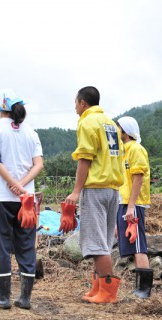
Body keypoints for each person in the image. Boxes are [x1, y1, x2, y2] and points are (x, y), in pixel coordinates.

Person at [0, 89, 44, 310]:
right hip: (26, 199)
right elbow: (38, 164)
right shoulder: (31, 133)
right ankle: (25, 298)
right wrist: (22, 185)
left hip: (0, 196)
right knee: (26, 244)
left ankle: (3, 297)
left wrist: (13, 184)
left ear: (1, 107)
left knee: (1, 243)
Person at [65, 86, 124, 304]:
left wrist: (76, 190)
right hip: (112, 189)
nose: (75, 107)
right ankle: (98, 288)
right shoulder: (111, 123)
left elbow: (85, 158)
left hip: (96, 188)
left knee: (97, 243)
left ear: (82, 103)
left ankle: (108, 294)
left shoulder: (87, 122)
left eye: (75, 102)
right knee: (104, 241)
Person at [115, 116, 152, 299]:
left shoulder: (136, 149)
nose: (116, 131)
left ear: (125, 131)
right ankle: (139, 288)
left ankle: (144, 289)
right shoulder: (123, 151)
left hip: (133, 204)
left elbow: (138, 178)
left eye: (118, 128)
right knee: (132, 244)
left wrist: (131, 206)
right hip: (124, 203)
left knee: (139, 245)